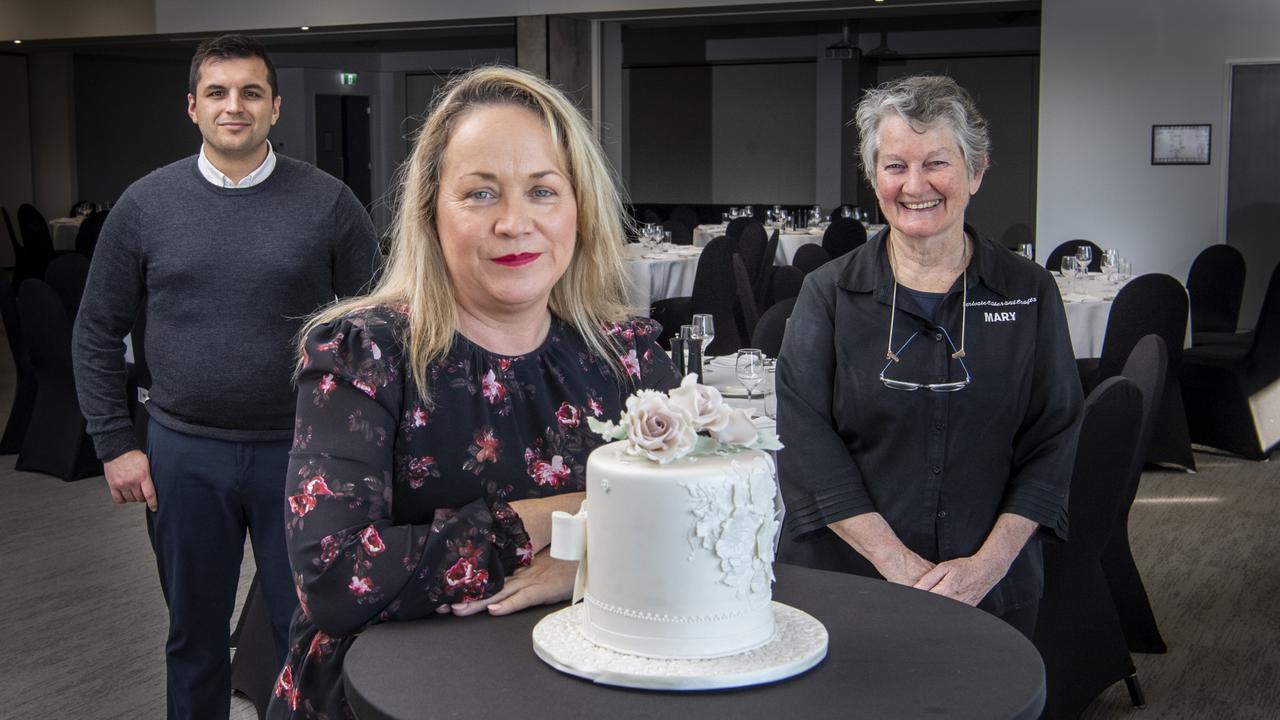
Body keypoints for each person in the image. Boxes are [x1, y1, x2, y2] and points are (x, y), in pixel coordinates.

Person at [264, 66, 680, 718]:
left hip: (582, 689)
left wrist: (589, 562)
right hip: (391, 697)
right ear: (431, 212)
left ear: (579, 209)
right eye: (480, 195)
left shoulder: (625, 355)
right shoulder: (363, 355)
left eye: (543, 191)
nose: (515, 223)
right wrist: (579, 520)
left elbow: (711, 521)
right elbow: (336, 577)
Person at [71, 34, 382, 720]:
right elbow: (96, 329)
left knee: (310, 634)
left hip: (302, 455)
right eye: (217, 92)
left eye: (249, 93)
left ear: (274, 107)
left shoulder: (329, 204)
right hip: (184, 453)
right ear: (192, 107)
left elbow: (378, 328)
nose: (232, 106)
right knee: (194, 638)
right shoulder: (145, 205)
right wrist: (115, 443)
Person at [776, 75, 1083, 637]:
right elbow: (803, 441)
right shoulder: (829, 293)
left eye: (936, 163)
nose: (915, 185)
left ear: (977, 171)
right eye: (895, 166)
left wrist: (985, 568)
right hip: (845, 580)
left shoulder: (1029, 290)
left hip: (991, 587)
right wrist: (896, 564)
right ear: (874, 178)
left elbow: (1054, 437)